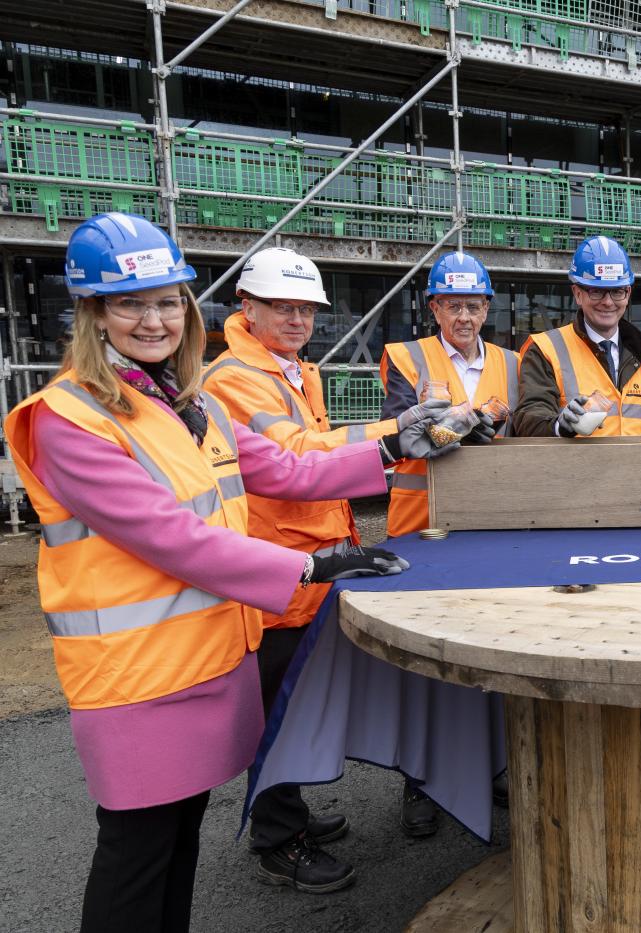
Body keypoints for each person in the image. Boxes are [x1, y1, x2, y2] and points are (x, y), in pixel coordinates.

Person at [4, 213, 461, 931]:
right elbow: (171, 538)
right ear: (92, 314)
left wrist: (390, 445)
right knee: (135, 854)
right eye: (129, 303)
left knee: (175, 844)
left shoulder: (184, 401)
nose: (152, 320)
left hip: (202, 660)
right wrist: (311, 563)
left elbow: (285, 467)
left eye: (165, 302)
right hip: (134, 678)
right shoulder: (69, 418)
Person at [203, 246, 434, 892]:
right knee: (277, 712)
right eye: (283, 306)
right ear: (245, 307)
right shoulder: (234, 379)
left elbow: (318, 456)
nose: (298, 318)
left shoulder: (295, 371)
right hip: (278, 574)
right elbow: (296, 457)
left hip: (308, 567)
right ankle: (280, 840)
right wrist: (394, 431)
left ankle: (289, 816)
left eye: (306, 308)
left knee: (294, 703)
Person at [380, 250, 515, 537]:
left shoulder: (513, 362)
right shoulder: (406, 357)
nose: (464, 317)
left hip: (494, 513)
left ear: (486, 309)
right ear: (434, 308)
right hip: (421, 518)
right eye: (454, 306)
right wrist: (461, 430)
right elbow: (397, 429)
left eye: (473, 307)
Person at [510, 235, 641, 437]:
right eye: (597, 291)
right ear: (577, 293)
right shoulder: (545, 350)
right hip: (577, 469)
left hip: (637, 469)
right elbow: (529, 420)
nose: (608, 302)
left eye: (617, 291)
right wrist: (560, 426)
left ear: (627, 293)